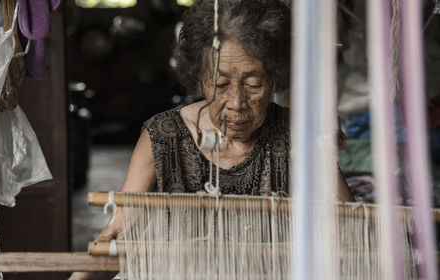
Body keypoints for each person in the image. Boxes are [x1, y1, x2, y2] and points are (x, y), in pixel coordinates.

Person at [70, 0, 353, 278]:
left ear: (275, 78)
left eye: (254, 84)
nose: (237, 102)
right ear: (199, 77)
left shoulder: (296, 134)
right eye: (220, 84)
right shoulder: (163, 135)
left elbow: (350, 231)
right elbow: (119, 231)